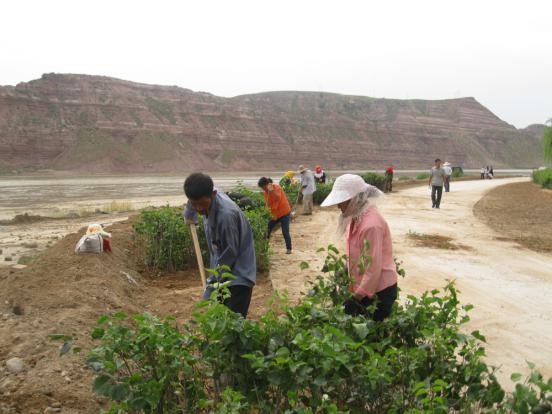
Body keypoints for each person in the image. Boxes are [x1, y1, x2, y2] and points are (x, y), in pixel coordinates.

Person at [320, 174, 398, 321]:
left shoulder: (371, 225)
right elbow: (359, 253)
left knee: (372, 331)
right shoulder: (357, 218)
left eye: (341, 201)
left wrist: (356, 298)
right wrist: (346, 268)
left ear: (355, 199)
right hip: (366, 286)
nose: (338, 206)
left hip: (379, 291)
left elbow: (373, 268)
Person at [183, 173, 256, 318]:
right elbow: (194, 199)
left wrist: (211, 285)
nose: (199, 208)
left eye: (202, 204)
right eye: (194, 204)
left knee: (233, 323)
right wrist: (189, 213)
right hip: (222, 274)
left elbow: (229, 254)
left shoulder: (226, 216)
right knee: (219, 317)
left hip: (238, 276)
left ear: (213, 194)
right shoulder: (204, 193)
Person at [258, 177, 292, 254]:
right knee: (267, 230)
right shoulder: (265, 193)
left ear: (267, 185)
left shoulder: (277, 188)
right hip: (275, 215)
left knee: (285, 231)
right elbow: (268, 205)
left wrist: (271, 191)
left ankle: (289, 248)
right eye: (262, 188)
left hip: (284, 213)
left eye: (263, 187)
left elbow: (278, 198)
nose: (263, 189)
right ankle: (263, 248)